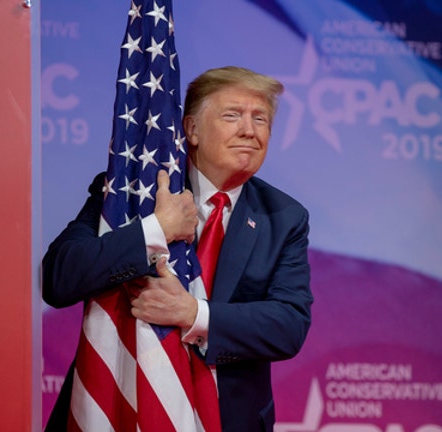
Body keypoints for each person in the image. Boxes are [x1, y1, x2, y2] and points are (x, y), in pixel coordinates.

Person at [42, 66, 313, 431]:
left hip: (226, 418)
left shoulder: (283, 217)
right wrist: (154, 229)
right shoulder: (130, 192)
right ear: (192, 130)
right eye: (232, 115)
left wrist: (193, 314)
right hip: (120, 406)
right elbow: (59, 278)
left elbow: (289, 325)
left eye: (260, 118)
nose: (250, 130)